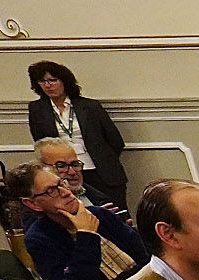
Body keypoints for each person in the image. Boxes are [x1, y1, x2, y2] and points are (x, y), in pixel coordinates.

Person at [11, 161, 145, 280]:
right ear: (33, 204)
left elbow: (146, 258)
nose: (66, 192)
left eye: (62, 183)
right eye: (52, 190)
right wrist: (86, 235)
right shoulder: (39, 239)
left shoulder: (99, 214)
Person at [23, 62, 127, 208]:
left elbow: (115, 141)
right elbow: (41, 144)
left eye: (53, 80)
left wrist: (104, 159)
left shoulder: (90, 106)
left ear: (64, 81)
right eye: (43, 81)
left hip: (99, 171)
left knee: (113, 214)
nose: (48, 85)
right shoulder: (37, 109)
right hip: (63, 173)